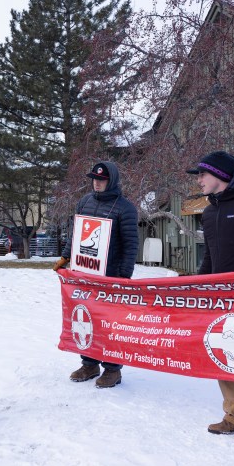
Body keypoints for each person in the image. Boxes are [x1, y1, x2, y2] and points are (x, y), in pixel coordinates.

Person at [53, 161, 138, 388]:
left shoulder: (125, 208)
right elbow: (76, 234)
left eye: (102, 180)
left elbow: (131, 245)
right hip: (85, 275)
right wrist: (65, 257)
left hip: (111, 277)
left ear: (112, 181)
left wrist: (123, 277)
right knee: (86, 318)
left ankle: (112, 369)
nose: (97, 183)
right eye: (94, 179)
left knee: (110, 323)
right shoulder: (84, 202)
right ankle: (89, 363)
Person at [186, 150, 234, 447]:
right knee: (227, 356)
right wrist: (199, 286)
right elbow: (209, 255)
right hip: (223, 297)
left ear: (220, 175)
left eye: (202, 175)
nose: (199, 180)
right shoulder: (209, 212)